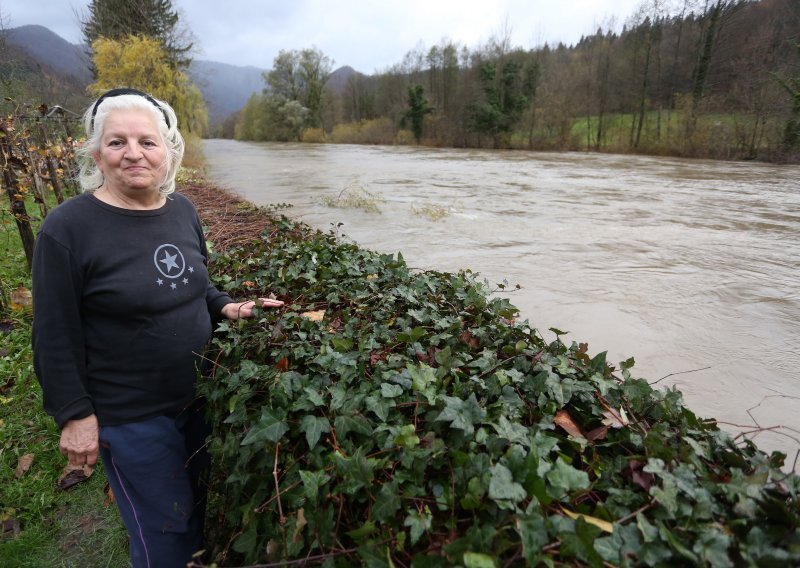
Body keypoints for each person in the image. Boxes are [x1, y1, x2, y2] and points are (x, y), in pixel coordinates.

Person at [31, 88, 284, 567]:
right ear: (94, 152)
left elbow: (194, 285)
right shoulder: (67, 229)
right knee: (167, 531)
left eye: (147, 142)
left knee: (198, 509)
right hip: (131, 417)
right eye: (116, 142)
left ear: (169, 152)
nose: (133, 154)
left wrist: (225, 307)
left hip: (198, 400)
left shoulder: (183, 211)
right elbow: (53, 334)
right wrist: (75, 415)